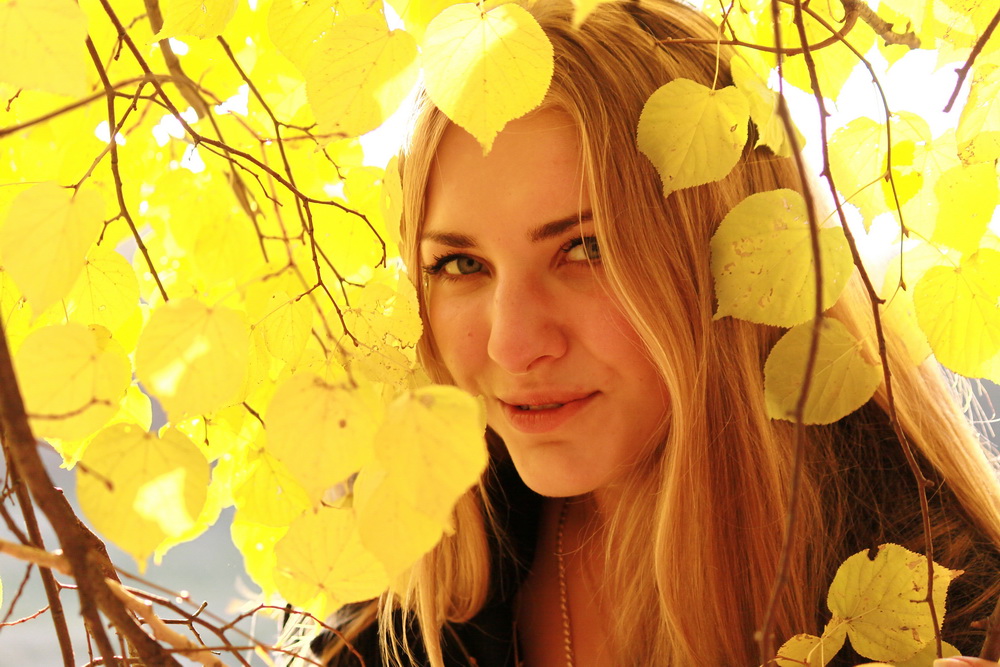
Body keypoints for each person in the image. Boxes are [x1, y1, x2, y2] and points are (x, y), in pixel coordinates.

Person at [312, 0, 1000, 664]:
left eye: (587, 248)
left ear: (734, 259)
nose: (511, 346)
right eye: (460, 265)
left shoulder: (945, 616)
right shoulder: (400, 590)